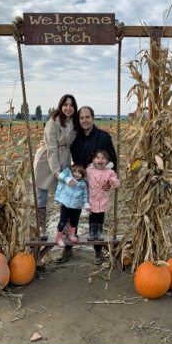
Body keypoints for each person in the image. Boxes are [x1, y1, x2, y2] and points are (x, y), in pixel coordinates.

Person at [56, 106, 117, 265]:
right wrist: (45, 143)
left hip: (97, 183)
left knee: (96, 213)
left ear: (93, 117)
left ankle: (97, 250)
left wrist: (109, 182)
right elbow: (60, 145)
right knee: (70, 213)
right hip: (78, 181)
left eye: (87, 117)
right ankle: (67, 247)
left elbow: (113, 161)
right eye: (81, 118)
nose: (84, 120)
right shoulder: (75, 137)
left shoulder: (103, 137)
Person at [33, 94, 79, 240]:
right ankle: (42, 228)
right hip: (46, 160)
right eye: (65, 104)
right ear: (61, 106)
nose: (68, 108)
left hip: (64, 158)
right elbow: (52, 148)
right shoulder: (53, 123)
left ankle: (65, 226)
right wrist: (56, 171)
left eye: (71, 105)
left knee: (66, 194)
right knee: (42, 195)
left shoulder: (74, 122)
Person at [86, 149, 120, 241]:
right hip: (92, 197)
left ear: (107, 161)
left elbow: (117, 183)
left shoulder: (110, 172)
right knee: (92, 216)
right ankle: (92, 232)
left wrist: (111, 182)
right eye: (98, 158)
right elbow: (84, 181)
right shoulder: (89, 171)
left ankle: (99, 232)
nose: (100, 160)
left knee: (101, 215)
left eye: (103, 158)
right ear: (93, 160)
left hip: (103, 198)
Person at [54, 164, 90, 247]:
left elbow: (85, 196)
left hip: (77, 207)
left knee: (74, 222)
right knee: (62, 221)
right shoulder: (68, 180)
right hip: (66, 206)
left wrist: (86, 204)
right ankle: (59, 238)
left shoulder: (83, 184)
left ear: (83, 175)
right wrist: (68, 178)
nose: (77, 174)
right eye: (75, 172)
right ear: (71, 172)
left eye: (79, 173)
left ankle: (71, 235)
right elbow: (61, 175)